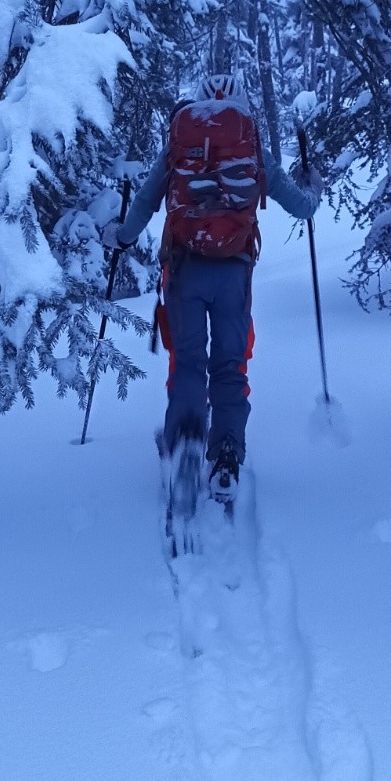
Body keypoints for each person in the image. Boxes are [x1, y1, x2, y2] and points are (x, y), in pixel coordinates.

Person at [102, 72, 321, 503]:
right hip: (233, 271)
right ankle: (225, 457)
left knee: (187, 362)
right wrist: (312, 186)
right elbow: (300, 206)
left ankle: (184, 441)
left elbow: (146, 202)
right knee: (229, 364)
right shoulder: (251, 145)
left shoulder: (179, 145)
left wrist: (119, 237)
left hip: (184, 269)